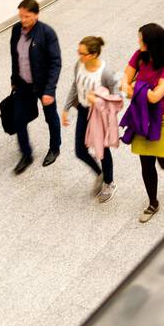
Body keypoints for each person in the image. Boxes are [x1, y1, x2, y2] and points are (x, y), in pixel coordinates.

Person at [121, 24, 164, 224]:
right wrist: (134, 87)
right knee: (146, 162)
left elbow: (155, 97)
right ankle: (153, 203)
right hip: (143, 115)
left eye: (141, 39)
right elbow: (124, 79)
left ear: (152, 43)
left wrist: (133, 88)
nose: (138, 42)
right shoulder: (139, 55)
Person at [61, 35, 120, 202]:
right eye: (78, 52)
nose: (79, 56)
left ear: (93, 54)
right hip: (83, 111)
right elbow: (75, 85)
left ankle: (109, 183)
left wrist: (99, 101)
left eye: (82, 53)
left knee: (102, 150)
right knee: (80, 150)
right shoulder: (79, 64)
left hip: (99, 115)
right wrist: (66, 108)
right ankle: (100, 174)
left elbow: (117, 97)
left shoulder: (105, 73)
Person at [8, 0, 62, 174]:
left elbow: (55, 62)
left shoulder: (47, 33)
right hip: (23, 83)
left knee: (50, 117)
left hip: (43, 85)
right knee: (18, 119)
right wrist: (14, 78)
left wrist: (50, 90)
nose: (23, 20)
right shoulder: (16, 30)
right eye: (21, 16)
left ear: (37, 15)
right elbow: (15, 56)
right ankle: (26, 154)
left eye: (27, 16)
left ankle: (55, 148)